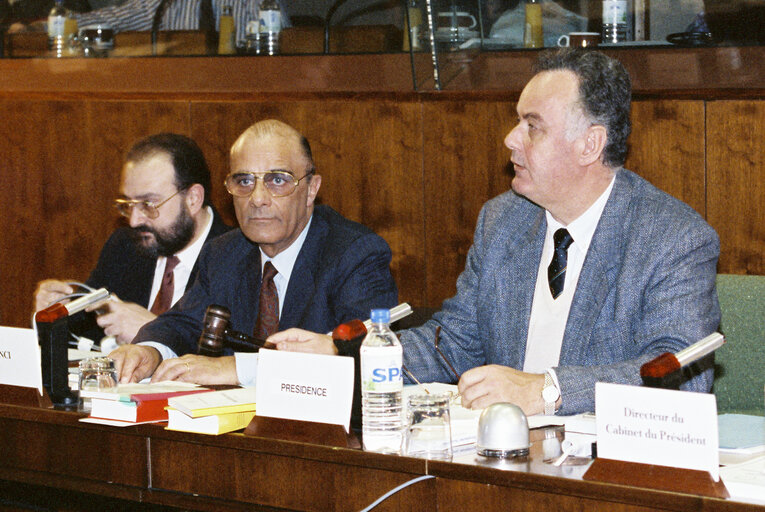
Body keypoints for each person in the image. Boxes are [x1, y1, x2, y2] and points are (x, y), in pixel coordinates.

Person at [270, 48, 721, 417]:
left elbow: (678, 373)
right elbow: (455, 342)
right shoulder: (504, 221)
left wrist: (547, 391)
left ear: (590, 144)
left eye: (532, 126)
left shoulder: (672, 238)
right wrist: (345, 355)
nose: (510, 138)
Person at [109, 119, 398, 386]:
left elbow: (362, 357)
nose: (258, 199)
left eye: (277, 180)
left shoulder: (355, 254)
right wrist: (149, 351)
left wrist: (236, 369)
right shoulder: (225, 252)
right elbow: (183, 323)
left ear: (311, 190)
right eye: (245, 181)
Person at [34, 132, 230, 346]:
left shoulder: (237, 257)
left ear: (193, 199)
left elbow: (239, 359)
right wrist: (57, 314)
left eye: (148, 204)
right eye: (128, 205)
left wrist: (158, 333)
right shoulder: (126, 245)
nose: (135, 221)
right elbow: (85, 332)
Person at [72, 0, 289, 46]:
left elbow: (288, 45)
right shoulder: (167, 2)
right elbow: (119, 18)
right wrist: (53, 23)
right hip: (184, 88)